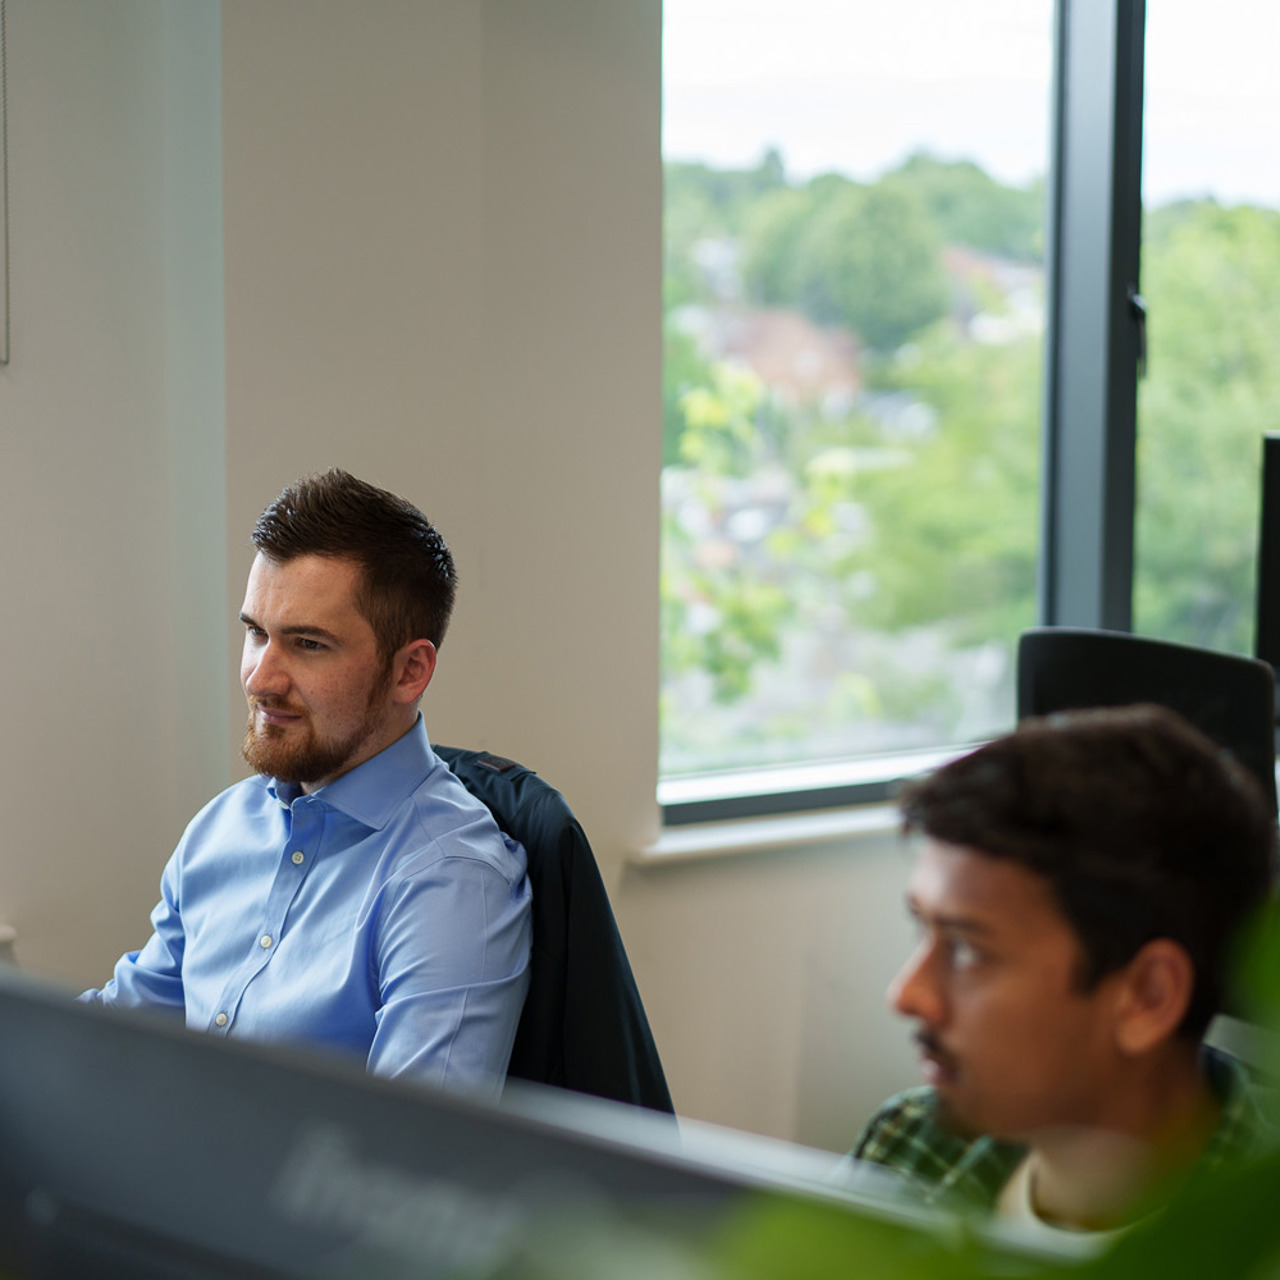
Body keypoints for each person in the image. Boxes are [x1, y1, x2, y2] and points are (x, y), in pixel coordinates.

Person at [82, 470, 532, 1098]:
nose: (261, 679)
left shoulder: (451, 880)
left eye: (308, 644)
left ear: (410, 671)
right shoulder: (222, 827)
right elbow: (121, 1033)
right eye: (256, 633)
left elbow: (414, 1158)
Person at [852, 704, 1277, 1240]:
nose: (908, 994)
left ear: (1148, 996)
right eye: (923, 929)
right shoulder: (911, 1145)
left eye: (968, 948)